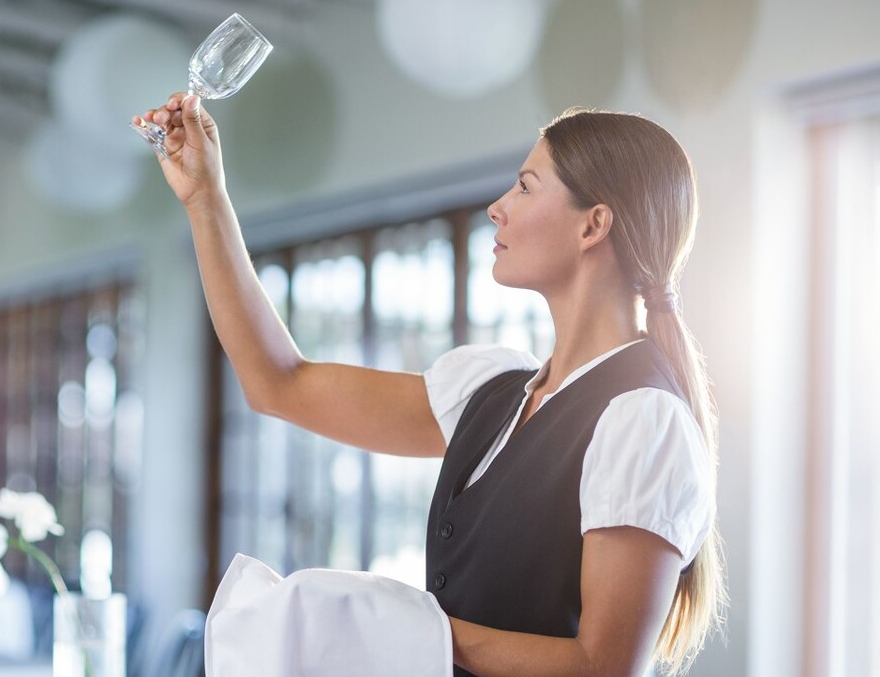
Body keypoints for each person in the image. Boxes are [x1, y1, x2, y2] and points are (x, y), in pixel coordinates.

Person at [132, 94, 726, 677]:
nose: (498, 207)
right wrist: (205, 197)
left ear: (593, 225)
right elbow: (277, 384)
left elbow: (602, 668)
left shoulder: (643, 420)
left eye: (525, 186)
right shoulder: (492, 392)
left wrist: (406, 626)